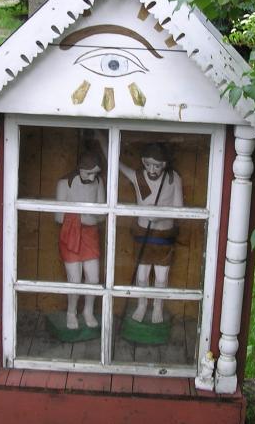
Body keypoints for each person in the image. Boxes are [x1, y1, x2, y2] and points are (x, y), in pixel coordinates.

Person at [97, 134, 183, 323]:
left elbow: (180, 209)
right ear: (143, 161)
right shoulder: (137, 176)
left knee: (161, 277)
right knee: (142, 275)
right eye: (148, 164)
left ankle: (158, 307)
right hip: (143, 233)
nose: (152, 169)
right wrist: (102, 140)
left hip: (164, 235)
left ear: (164, 164)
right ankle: (141, 305)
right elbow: (115, 163)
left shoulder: (173, 178)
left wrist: (159, 215)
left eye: (157, 165)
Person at [55, 151, 104, 329]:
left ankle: (88, 311)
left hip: (90, 235)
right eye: (88, 173)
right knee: (74, 278)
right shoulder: (65, 183)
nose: (92, 177)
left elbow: (103, 213)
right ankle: (71, 312)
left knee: (93, 277)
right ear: (80, 168)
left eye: (95, 174)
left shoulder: (98, 182)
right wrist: (83, 216)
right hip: (71, 234)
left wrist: (91, 216)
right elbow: (58, 216)